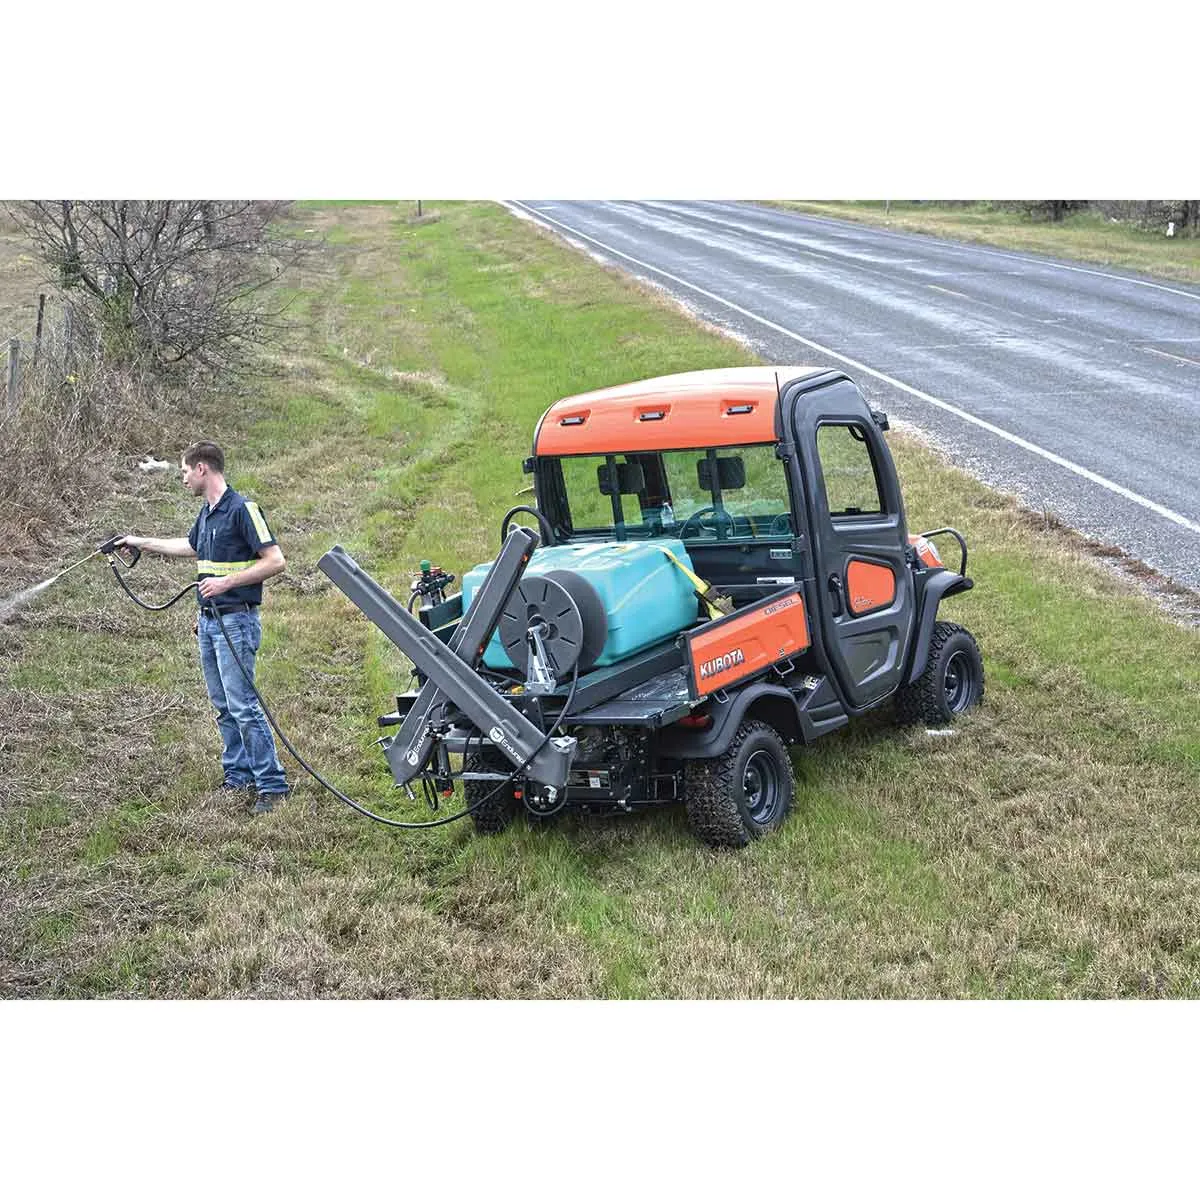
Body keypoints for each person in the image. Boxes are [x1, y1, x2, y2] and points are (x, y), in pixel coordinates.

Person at [119, 441, 291, 814]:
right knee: (223, 707)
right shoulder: (208, 514)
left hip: (237, 621)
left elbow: (276, 561)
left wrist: (227, 585)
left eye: (184, 471)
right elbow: (191, 546)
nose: (181, 478)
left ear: (202, 469)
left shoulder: (243, 509)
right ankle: (238, 776)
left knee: (244, 706)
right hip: (210, 623)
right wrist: (139, 542)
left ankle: (273, 786)